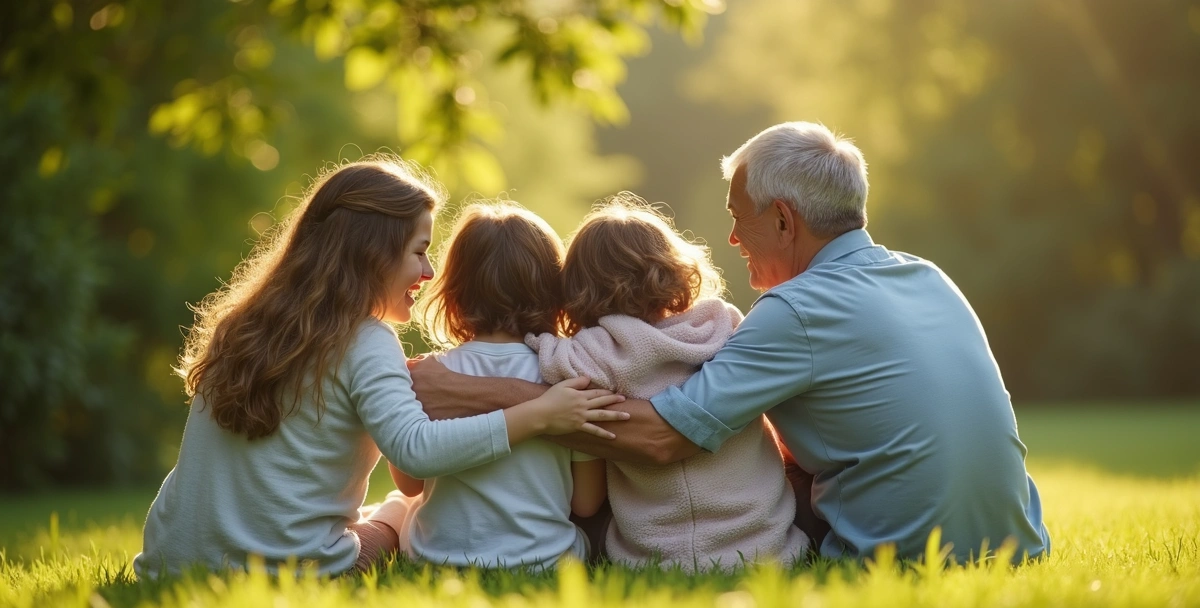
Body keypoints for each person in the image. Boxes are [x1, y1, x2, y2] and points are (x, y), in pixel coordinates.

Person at [410, 123, 1051, 562]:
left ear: (783, 220)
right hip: (1019, 547)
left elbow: (663, 438)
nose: (734, 239)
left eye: (739, 219)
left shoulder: (795, 310)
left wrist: (473, 393)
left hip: (906, 561)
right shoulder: (927, 276)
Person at [133, 159, 625, 578]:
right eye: (419, 251)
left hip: (168, 561)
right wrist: (538, 415)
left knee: (402, 505)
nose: (428, 273)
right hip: (288, 572)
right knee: (398, 512)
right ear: (373, 251)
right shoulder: (364, 339)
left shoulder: (242, 323)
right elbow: (415, 450)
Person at [525, 196, 808, 571]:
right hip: (765, 546)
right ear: (674, 267)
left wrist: (534, 337)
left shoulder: (594, 352)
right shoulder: (722, 324)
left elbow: (548, 361)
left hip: (653, 557)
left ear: (577, 287)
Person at [363, 201, 607, 569]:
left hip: (435, 560)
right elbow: (586, 503)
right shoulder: (568, 378)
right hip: (546, 562)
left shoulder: (430, 377)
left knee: (401, 507)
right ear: (554, 293)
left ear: (454, 294)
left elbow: (410, 485)